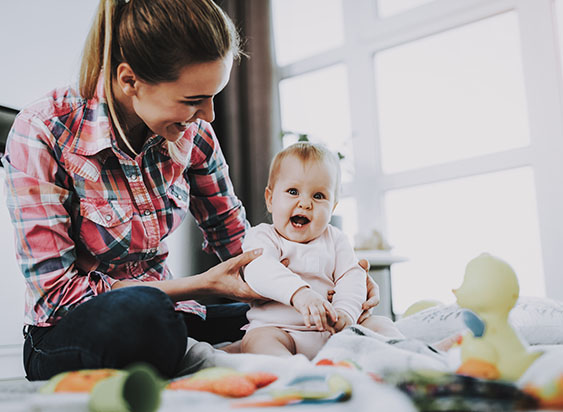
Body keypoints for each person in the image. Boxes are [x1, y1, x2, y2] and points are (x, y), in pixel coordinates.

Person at [2, 0, 380, 381]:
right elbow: (59, 295)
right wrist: (198, 285)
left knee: (287, 322)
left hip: (174, 316)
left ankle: (206, 355)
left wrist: (326, 290)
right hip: (69, 330)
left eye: (213, 96)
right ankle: (197, 353)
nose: (209, 116)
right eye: (193, 100)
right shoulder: (42, 131)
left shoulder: (195, 135)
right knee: (144, 318)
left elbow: (240, 248)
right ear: (129, 80)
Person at [241, 143, 404, 359]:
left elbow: (352, 276)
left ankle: (406, 356)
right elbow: (259, 269)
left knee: (380, 323)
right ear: (270, 199)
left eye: (318, 196)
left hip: (333, 333)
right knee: (257, 341)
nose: (305, 203)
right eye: (292, 192)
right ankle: (293, 372)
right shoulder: (262, 236)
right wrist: (300, 294)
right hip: (281, 330)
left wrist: (345, 312)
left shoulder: (336, 240)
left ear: (333, 208)